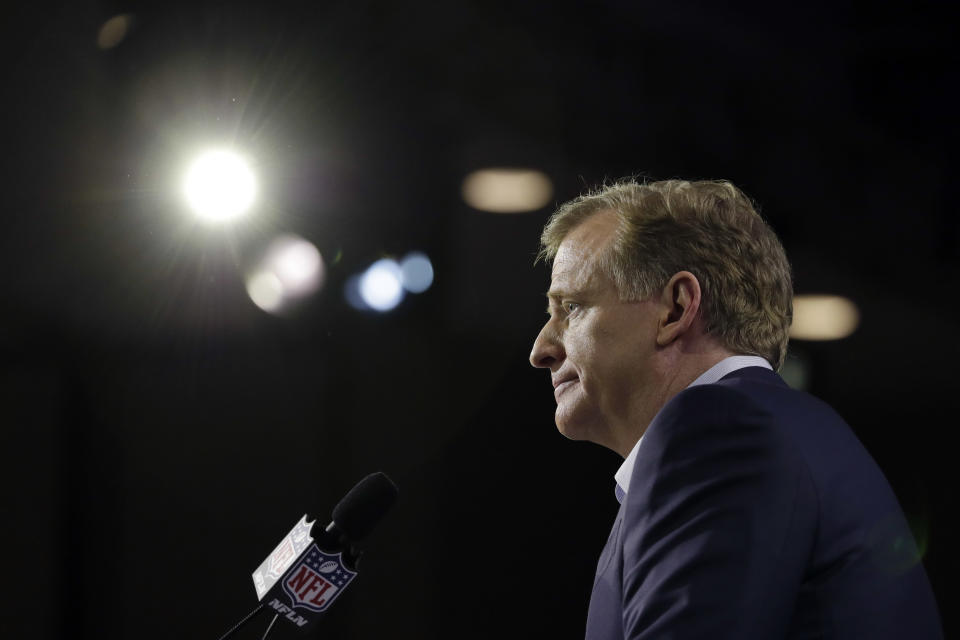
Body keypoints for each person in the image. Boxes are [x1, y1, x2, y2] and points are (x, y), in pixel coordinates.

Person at [529, 179, 942, 639]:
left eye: (571, 306)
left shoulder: (718, 434)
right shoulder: (776, 428)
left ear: (676, 309)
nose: (541, 349)